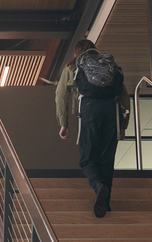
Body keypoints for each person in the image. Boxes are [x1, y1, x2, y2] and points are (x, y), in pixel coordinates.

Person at [55, 39, 130, 218]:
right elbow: (125, 97)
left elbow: (61, 95)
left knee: (87, 159)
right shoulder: (109, 64)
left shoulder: (72, 66)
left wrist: (64, 123)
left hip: (89, 110)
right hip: (111, 110)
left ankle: (98, 186)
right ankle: (106, 202)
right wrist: (123, 125)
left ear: (76, 52)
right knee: (107, 159)